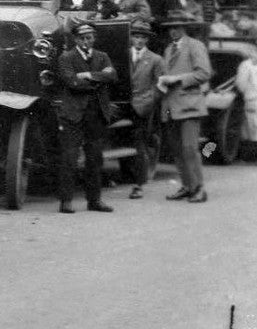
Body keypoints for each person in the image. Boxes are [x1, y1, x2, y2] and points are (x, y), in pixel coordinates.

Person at [54, 22, 118, 213]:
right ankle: (66, 201)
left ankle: (94, 200)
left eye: (89, 37)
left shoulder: (102, 56)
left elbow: (112, 76)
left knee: (95, 158)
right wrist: (98, 80)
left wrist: (88, 75)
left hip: (96, 114)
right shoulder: (66, 57)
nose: (86, 41)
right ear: (75, 39)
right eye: (82, 38)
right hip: (73, 115)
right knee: (69, 158)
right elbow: (71, 81)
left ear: (94, 38)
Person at [157, 12, 212, 203]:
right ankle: (187, 186)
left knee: (190, 148)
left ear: (184, 27)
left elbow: (204, 73)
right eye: (170, 28)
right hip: (171, 106)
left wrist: (177, 79)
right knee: (177, 150)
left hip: (189, 105)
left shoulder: (195, 46)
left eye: (177, 27)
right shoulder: (168, 50)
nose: (173, 31)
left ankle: (198, 188)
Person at [126, 20, 165, 199]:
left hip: (143, 106)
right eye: (136, 36)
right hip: (125, 105)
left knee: (139, 144)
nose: (139, 41)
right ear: (131, 38)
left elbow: (161, 86)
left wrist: (148, 102)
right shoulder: (124, 55)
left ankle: (138, 185)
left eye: (142, 37)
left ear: (147, 40)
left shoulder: (155, 59)